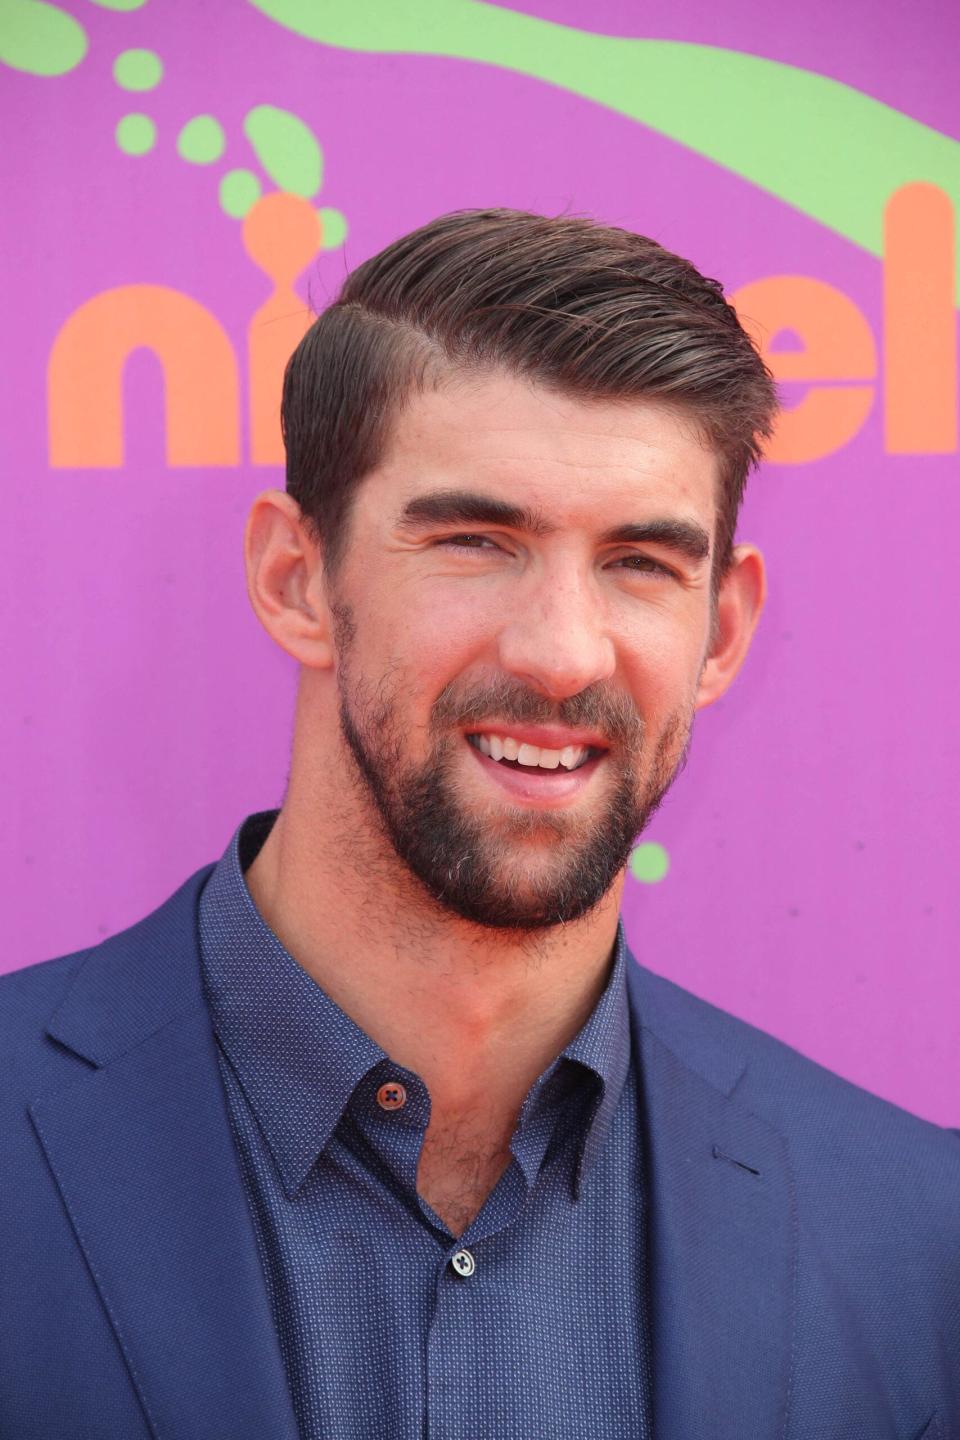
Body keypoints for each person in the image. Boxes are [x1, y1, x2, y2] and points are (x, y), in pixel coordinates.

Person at [2, 210, 957, 1440]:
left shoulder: (906, 1238)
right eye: (475, 542)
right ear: (298, 580)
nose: (561, 653)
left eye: (640, 564)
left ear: (722, 631)